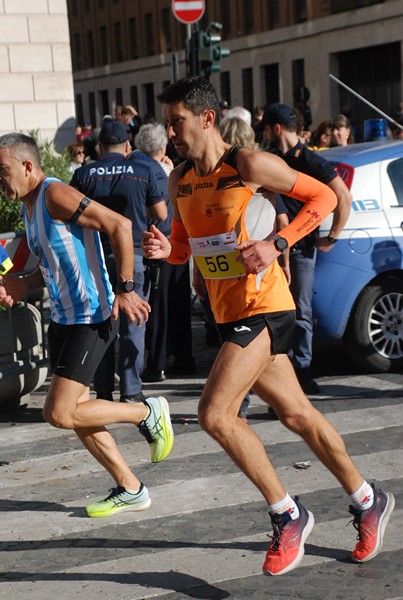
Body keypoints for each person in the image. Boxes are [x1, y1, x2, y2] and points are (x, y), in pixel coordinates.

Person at [141, 76, 395, 577]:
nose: (171, 132)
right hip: (228, 314)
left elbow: (322, 198)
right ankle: (369, 499)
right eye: (167, 123)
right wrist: (164, 251)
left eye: (178, 122)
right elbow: (183, 246)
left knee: (214, 414)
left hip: (266, 307)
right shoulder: (180, 180)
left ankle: (288, 513)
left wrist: (277, 245)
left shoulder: (249, 164)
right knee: (297, 415)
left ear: (207, 118)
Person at [0, 132, 174, 519]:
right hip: (64, 319)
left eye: (4, 170)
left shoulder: (53, 194)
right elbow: (52, 268)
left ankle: (145, 413)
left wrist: (126, 289)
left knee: (58, 413)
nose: (1, 179)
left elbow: (120, 225)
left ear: (28, 166)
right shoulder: (31, 208)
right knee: (79, 414)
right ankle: (131, 487)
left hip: (90, 318)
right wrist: (23, 283)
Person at [70, 119, 168, 402]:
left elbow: (69, 214)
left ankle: (103, 391)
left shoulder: (84, 173)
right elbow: (161, 214)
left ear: (100, 148)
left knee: (102, 325)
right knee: (133, 325)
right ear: (127, 145)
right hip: (134, 255)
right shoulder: (144, 169)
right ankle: (131, 391)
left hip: (96, 259)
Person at [261, 103, 353, 395]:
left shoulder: (311, 160)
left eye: (265, 128)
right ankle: (278, 372)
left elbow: (343, 197)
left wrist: (333, 236)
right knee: (275, 312)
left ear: (276, 128)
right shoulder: (273, 159)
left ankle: (301, 370)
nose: (263, 134)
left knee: (300, 311)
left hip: (299, 249)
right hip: (273, 249)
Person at [134, 122, 195, 382]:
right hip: (179, 239)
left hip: (158, 243)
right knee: (179, 303)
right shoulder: (172, 170)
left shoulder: (141, 170)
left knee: (158, 307)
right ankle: (183, 357)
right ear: (162, 147)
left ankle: (157, 362)